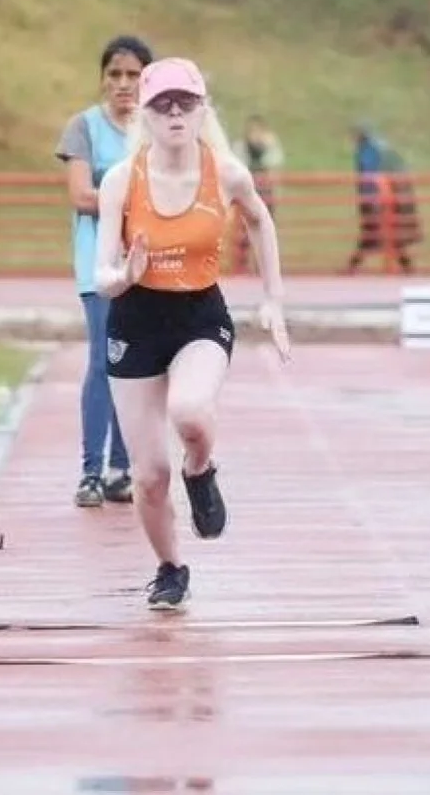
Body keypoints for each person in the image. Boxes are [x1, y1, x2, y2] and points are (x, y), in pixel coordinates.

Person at [93, 57, 291, 611]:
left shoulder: (226, 172)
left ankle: (200, 470)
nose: (174, 112)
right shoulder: (119, 181)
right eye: (162, 103)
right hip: (134, 322)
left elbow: (259, 219)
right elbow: (100, 275)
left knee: (189, 412)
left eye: (186, 102)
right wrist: (122, 277)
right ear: (145, 115)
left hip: (199, 317)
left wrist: (273, 298)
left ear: (203, 110)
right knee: (149, 476)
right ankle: (170, 567)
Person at [55, 35, 153, 507]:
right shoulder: (84, 128)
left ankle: (122, 468)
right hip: (99, 263)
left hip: (148, 265)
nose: (123, 84)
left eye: (133, 75)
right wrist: (133, 204)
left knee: (133, 365)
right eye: (115, 74)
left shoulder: (156, 129)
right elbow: (80, 195)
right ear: (102, 79)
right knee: (102, 360)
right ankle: (91, 471)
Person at [345, 124, 418, 274]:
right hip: (391, 196)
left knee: (373, 234)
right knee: (384, 234)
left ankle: (352, 267)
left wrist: (371, 199)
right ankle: (407, 267)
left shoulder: (368, 151)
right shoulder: (381, 148)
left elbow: (369, 175)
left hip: (377, 199)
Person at [232, 115, 284, 273]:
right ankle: (242, 265)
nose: (255, 134)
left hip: (265, 191)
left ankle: (265, 266)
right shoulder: (241, 146)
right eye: (252, 130)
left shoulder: (269, 145)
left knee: (266, 228)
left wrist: (265, 147)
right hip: (248, 191)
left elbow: (275, 161)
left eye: (258, 130)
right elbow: (238, 163)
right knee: (244, 229)